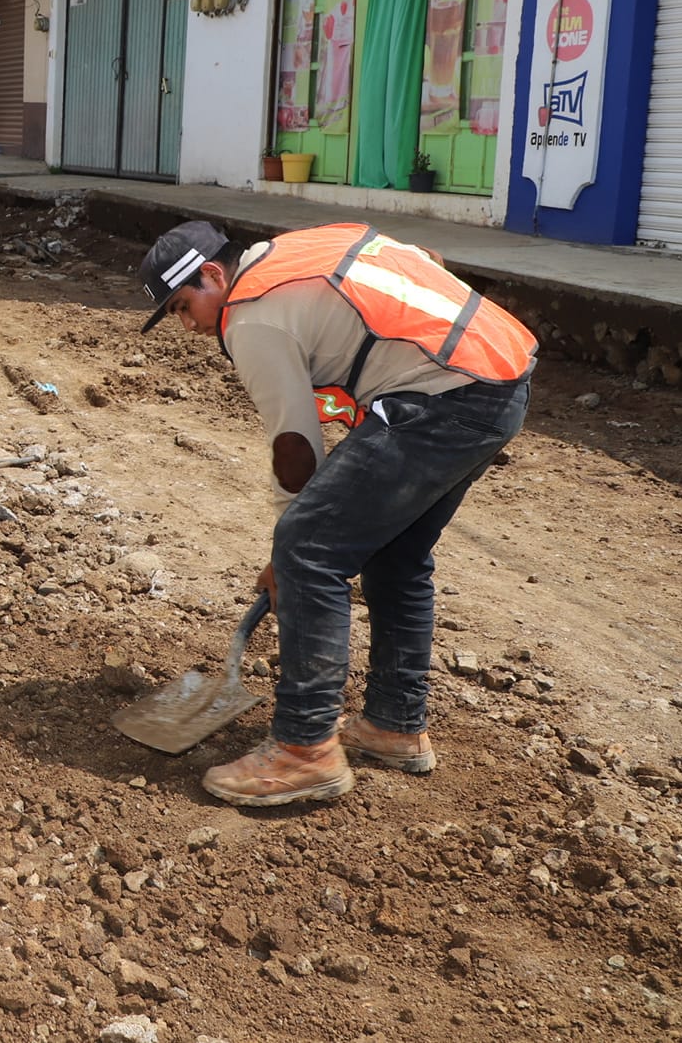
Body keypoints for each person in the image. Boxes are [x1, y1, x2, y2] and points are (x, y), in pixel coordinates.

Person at [136, 220, 537, 807]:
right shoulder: (296, 249)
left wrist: (288, 554)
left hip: (444, 398)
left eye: (182, 305)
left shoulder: (250, 316)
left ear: (214, 274)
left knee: (307, 547)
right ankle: (395, 724)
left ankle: (304, 750)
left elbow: (295, 450)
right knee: (395, 556)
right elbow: (424, 255)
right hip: (499, 377)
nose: (189, 325)